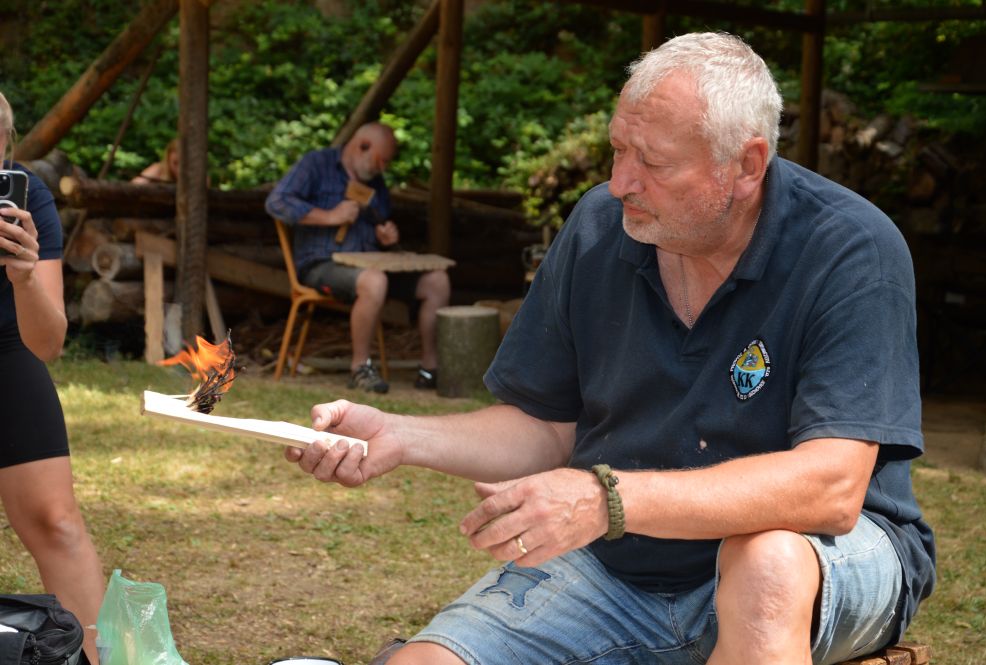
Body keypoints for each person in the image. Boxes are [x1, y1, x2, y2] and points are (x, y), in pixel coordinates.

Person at [286, 33, 935, 665]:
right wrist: (400, 436)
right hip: (625, 563)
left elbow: (831, 488)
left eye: (652, 162)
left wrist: (606, 500)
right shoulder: (600, 226)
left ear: (745, 166)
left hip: (823, 553)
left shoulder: (849, 248)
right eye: (618, 149)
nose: (621, 182)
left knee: (765, 563)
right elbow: (545, 426)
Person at [0, 91, 104, 665]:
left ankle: (100, 659)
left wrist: (23, 278)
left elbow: (48, 343)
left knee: (56, 521)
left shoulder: (28, 197)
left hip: (8, 344)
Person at [265, 122, 450, 393]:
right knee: (374, 281)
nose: (383, 168)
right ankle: (359, 367)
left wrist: (385, 235)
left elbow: (381, 220)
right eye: (380, 160)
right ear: (362, 146)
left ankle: (429, 368)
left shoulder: (375, 182)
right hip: (321, 264)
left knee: (437, 281)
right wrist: (328, 216)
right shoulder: (317, 164)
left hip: (371, 264)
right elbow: (277, 202)